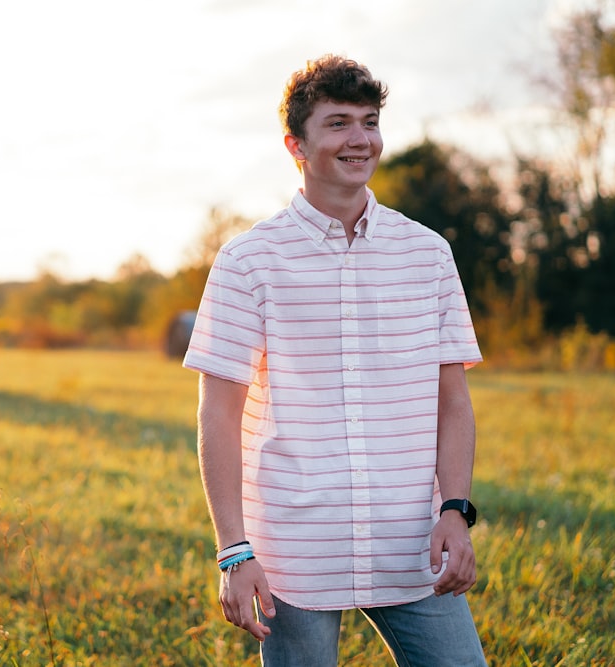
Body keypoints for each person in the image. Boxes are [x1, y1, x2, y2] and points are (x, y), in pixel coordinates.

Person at [183, 54, 487, 666]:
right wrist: (234, 551)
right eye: (339, 123)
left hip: (410, 545)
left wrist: (454, 509)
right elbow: (219, 415)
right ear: (296, 144)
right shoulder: (248, 262)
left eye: (370, 122)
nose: (360, 139)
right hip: (294, 553)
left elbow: (452, 400)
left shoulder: (428, 254)